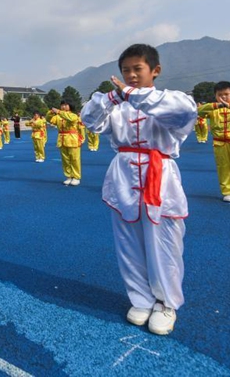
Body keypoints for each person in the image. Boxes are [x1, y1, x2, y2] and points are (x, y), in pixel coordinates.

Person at [81, 43, 196, 336]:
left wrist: (132, 94)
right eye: (125, 71)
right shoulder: (117, 107)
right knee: (128, 242)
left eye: (137, 69)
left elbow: (182, 113)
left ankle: (166, 303)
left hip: (160, 177)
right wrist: (111, 97)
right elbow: (90, 121)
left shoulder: (172, 101)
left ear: (155, 71)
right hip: (124, 175)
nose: (131, 75)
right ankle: (141, 299)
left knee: (165, 241)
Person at [47, 101, 82, 186]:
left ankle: (76, 177)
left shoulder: (73, 115)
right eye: (62, 105)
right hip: (62, 139)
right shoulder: (58, 116)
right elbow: (48, 119)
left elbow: (70, 118)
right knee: (65, 160)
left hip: (72, 139)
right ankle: (69, 176)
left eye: (66, 105)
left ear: (70, 106)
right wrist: (50, 113)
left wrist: (59, 112)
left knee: (74, 159)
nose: (63, 106)